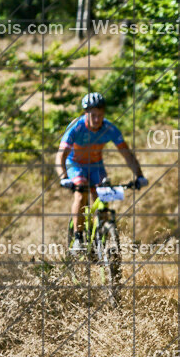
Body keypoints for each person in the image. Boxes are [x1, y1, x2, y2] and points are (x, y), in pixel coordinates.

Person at [56, 92, 147, 253]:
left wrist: (139, 175)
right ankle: (78, 237)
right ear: (86, 114)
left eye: (101, 115)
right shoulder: (76, 127)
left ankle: (102, 232)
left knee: (104, 191)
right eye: (93, 115)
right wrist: (63, 177)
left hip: (96, 165)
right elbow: (61, 156)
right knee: (81, 190)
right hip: (75, 164)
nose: (97, 119)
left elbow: (127, 154)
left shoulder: (109, 128)